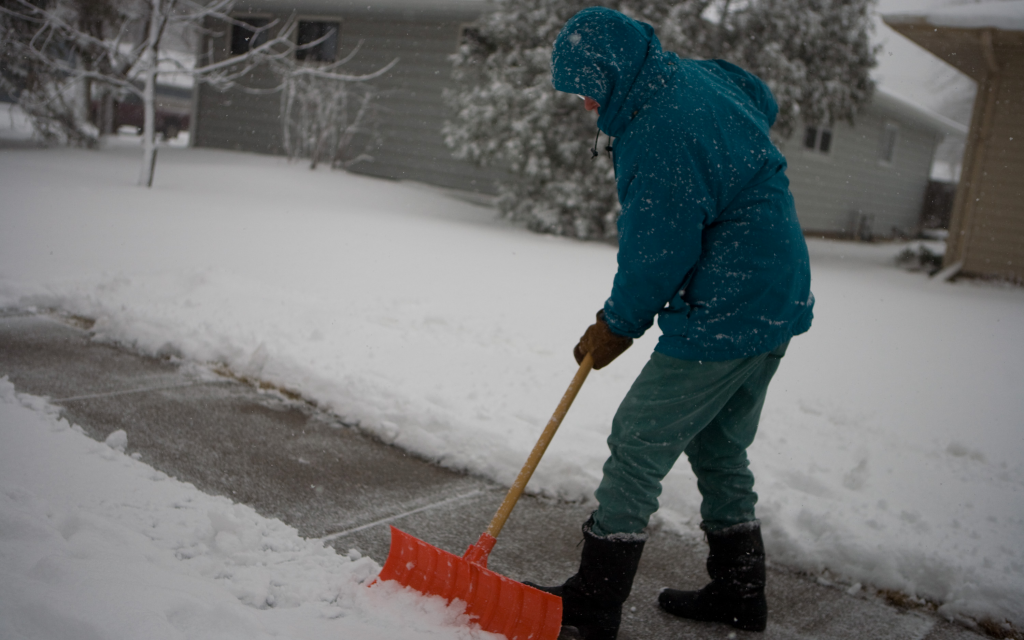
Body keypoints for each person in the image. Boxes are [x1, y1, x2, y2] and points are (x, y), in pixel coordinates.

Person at [532, 7, 814, 640]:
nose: (585, 104)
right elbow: (755, 95)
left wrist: (617, 324)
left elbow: (658, 249)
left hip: (730, 303)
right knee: (719, 447)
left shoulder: (657, 131)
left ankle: (592, 604)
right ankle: (739, 593)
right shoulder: (686, 78)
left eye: (588, 89)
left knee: (636, 442)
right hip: (778, 290)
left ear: (612, 73)